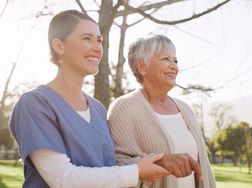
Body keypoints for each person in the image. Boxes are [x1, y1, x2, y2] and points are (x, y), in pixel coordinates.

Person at [8, 10, 170, 188]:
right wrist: (136, 171)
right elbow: (62, 178)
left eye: (99, 40)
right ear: (59, 46)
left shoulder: (98, 109)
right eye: (87, 38)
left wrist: (156, 163)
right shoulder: (35, 103)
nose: (97, 47)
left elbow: (107, 168)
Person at [108, 34, 216, 188]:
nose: (174, 66)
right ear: (142, 67)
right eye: (166, 59)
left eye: (175, 60)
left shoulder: (185, 109)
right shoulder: (124, 107)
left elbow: (204, 165)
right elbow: (115, 164)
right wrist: (161, 160)